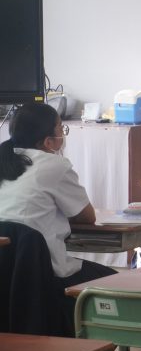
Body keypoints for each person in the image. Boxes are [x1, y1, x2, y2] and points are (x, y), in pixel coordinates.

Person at [0, 104, 116, 326]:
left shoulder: (5, 160)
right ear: (48, 141)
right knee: (118, 284)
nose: (63, 134)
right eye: (61, 128)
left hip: (7, 275)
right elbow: (86, 217)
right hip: (45, 273)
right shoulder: (54, 164)